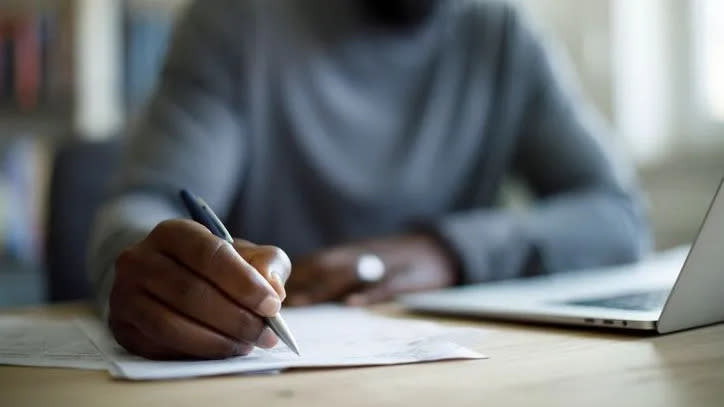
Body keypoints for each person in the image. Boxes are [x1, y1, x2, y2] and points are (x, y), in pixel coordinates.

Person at [88, 0, 651, 360]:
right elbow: (145, 204)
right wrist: (141, 267)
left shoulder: (501, 33)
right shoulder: (237, 20)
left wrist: (446, 251)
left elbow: (617, 213)